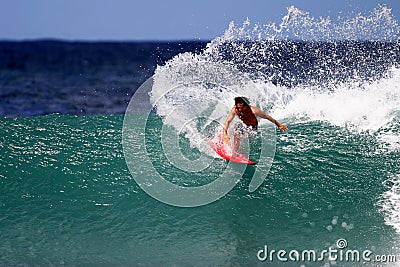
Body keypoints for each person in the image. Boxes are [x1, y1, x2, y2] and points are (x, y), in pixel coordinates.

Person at [223, 96, 287, 153]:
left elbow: (267, 117)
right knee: (234, 127)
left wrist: (279, 125)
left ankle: (235, 152)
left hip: (252, 128)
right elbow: (228, 121)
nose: (240, 110)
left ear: (247, 106)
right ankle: (227, 143)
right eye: (238, 107)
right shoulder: (235, 110)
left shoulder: (254, 110)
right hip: (244, 125)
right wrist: (225, 133)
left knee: (237, 134)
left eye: (242, 108)